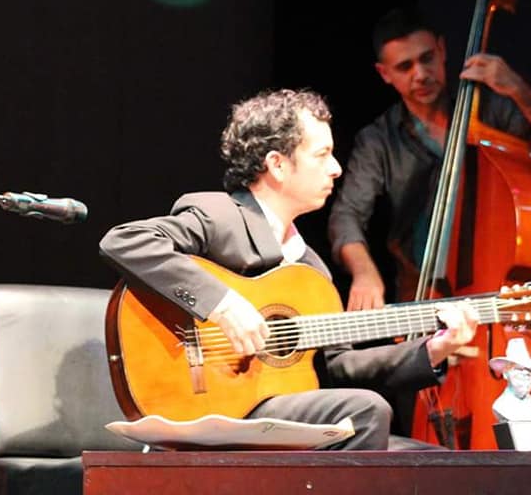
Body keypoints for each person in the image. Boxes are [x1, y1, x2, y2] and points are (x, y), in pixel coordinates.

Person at [99, 88, 479, 450]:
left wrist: (432, 350)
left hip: (272, 406)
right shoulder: (221, 216)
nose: (336, 168)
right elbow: (125, 241)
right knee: (366, 411)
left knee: (377, 422)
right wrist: (223, 304)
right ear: (277, 165)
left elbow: (338, 366)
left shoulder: (309, 268)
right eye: (322, 155)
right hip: (206, 405)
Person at [328, 7, 531, 312]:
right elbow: (346, 215)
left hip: (503, 296)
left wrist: (519, 90)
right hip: (424, 298)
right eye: (404, 66)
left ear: (442, 50)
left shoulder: (492, 113)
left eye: (427, 58)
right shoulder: (378, 141)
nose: (421, 74)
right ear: (384, 73)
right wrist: (364, 271)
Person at [490, 338, 531, 423]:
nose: (525, 373)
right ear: (505, 374)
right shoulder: (500, 406)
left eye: (529, 369)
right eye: (518, 369)